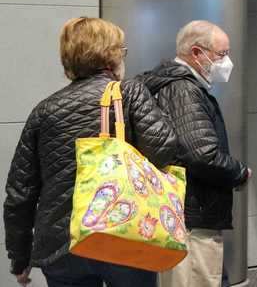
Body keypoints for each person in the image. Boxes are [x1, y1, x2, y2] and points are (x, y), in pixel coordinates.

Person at [3, 17, 177, 287]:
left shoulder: (45, 110)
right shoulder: (130, 92)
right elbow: (164, 151)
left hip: (61, 246)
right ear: (112, 54)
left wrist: (19, 257)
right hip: (123, 234)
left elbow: (19, 194)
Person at [138, 20, 250, 287]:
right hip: (192, 218)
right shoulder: (183, 90)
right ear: (197, 53)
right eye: (222, 54)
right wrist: (239, 172)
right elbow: (201, 153)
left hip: (185, 213)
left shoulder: (175, 85)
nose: (227, 62)